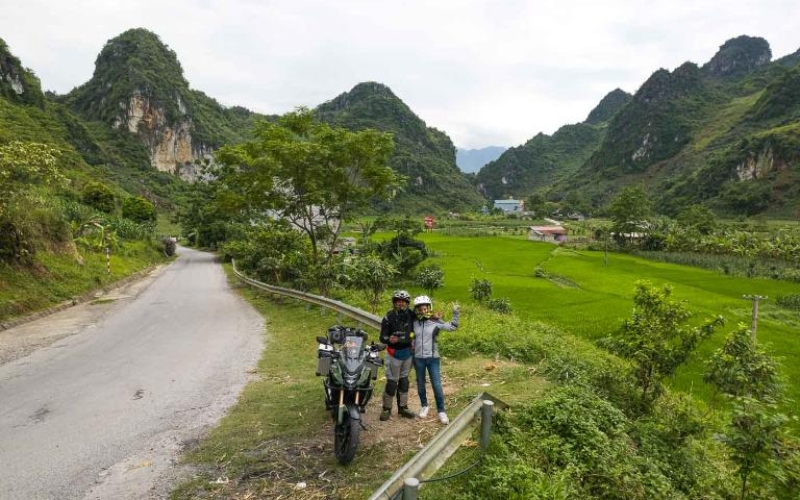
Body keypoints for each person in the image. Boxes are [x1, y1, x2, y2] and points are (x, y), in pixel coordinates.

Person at [412, 295, 459, 425]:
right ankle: (424, 405)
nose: (423, 311)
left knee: (436, 385)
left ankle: (441, 411)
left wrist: (455, 313)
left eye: (425, 308)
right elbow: (410, 335)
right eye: (420, 309)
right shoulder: (414, 323)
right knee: (420, 383)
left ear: (429, 308)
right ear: (417, 310)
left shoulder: (436, 322)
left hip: (433, 358)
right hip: (418, 359)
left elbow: (452, 327)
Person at [378, 290, 416, 421]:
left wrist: (412, 337)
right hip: (393, 353)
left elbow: (421, 323)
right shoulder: (388, 317)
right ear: (394, 303)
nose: (401, 303)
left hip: (408, 353)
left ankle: (403, 408)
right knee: (392, 382)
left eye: (404, 301)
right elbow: (382, 337)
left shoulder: (412, 315)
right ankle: (386, 408)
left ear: (407, 303)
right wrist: (389, 339)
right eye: (398, 301)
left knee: (404, 381)